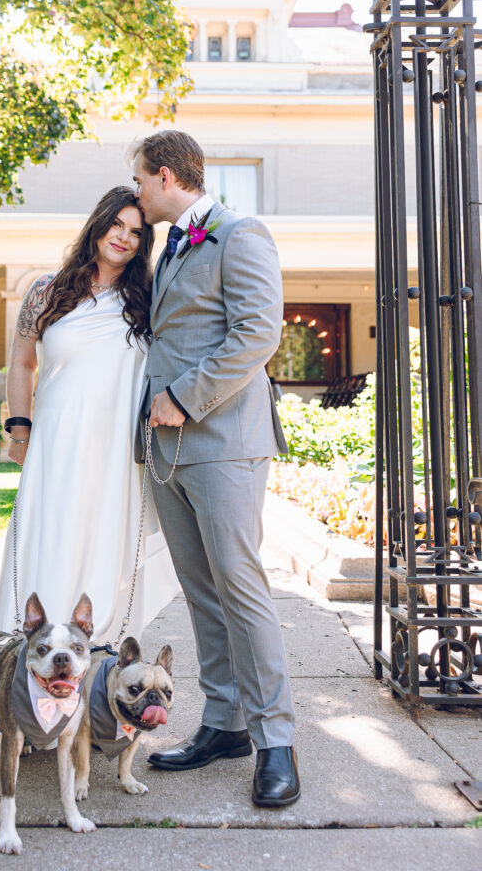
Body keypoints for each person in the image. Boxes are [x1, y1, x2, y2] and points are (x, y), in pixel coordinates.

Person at [131, 130, 300, 808]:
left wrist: (182, 397)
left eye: (141, 181)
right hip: (166, 452)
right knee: (202, 595)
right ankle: (224, 725)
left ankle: (277, 740)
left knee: (241, 589)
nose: (138, 194)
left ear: (165, 175)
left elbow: (258, 333)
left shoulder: (238, 233)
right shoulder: (169, 247)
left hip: (223, 441)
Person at [0, 186, 178, 643]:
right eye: (117, 224)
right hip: (55, 445)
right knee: (47, 539)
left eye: (136, 232)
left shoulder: (149, 300)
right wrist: (19, 434)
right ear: (98, 224)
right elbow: (21, 362)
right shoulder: (45, 290)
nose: (124, 237)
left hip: (118, 452)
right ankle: (27, 652)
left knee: (108, 548)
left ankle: (97, 654)